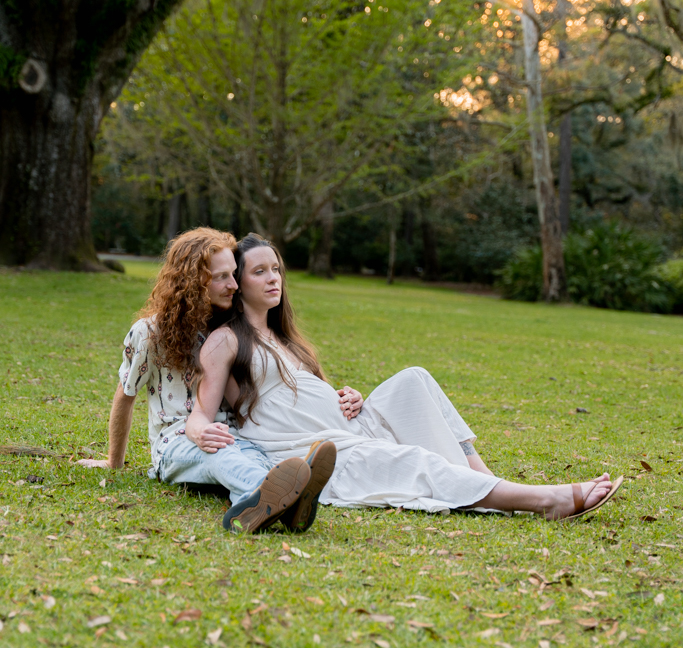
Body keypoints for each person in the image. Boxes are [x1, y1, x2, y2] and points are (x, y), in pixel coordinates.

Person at [188, 233, 624, 521]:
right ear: (236, 284)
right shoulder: (226, 341)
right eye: (258, 271)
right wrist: (203, 433)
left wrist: (350, 396)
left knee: (414, 380)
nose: (273, 278)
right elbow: (200, 414)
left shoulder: (285, 337)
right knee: (416, 463)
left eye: (276, 268)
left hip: (347, 423)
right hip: (316, 448)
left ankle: (485, 481)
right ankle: (544, 500)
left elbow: (314, 391)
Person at [78, 227, 338, 533]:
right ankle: (271, 494)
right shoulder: (149, 333)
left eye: (233, 274)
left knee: (252, 456)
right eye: (222, 277)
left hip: (231, 434)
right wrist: (114, 462)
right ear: (194, 282)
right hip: (175, 444)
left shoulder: (226, 327)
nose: (234, 284)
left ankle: (271, 506)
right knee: (219, 456)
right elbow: (126, 394)